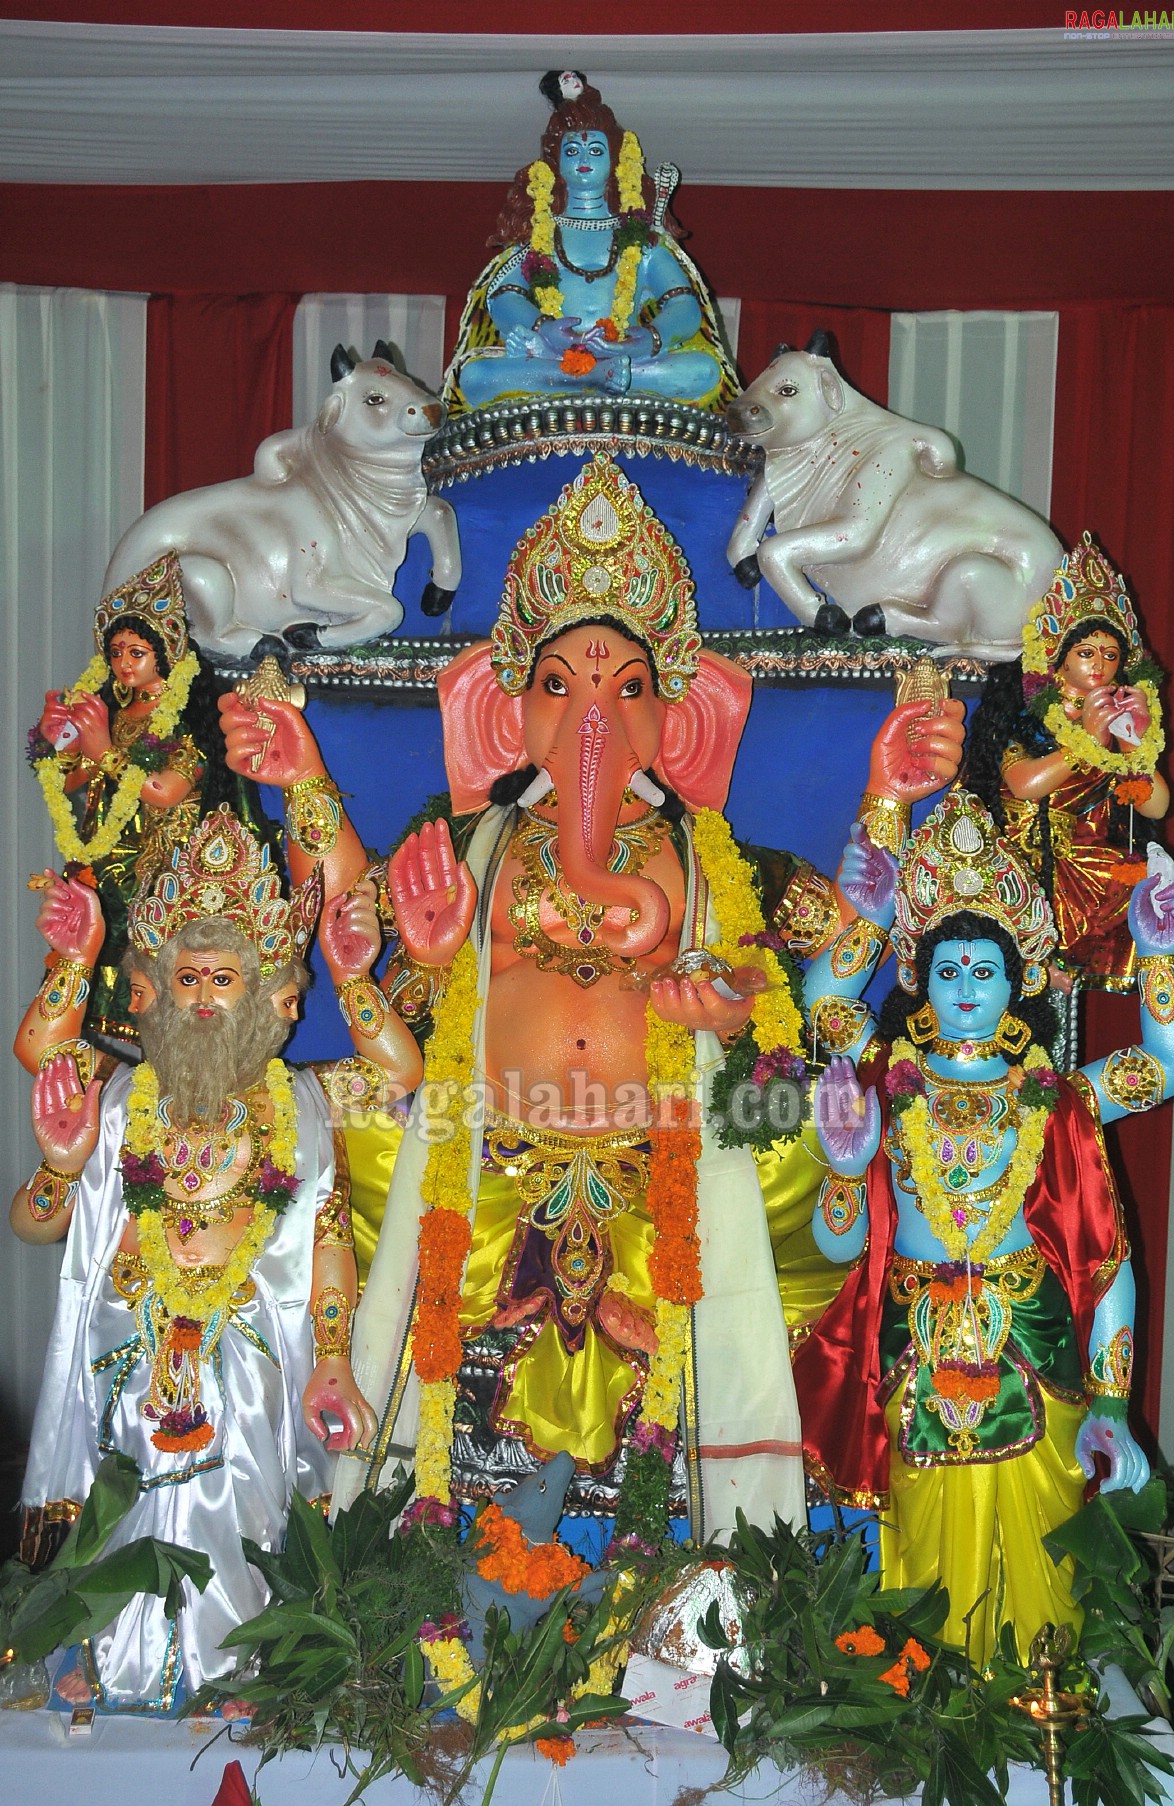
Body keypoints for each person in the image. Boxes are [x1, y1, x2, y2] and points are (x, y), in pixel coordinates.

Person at [217, 455, 966, 1552]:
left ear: (677, 716)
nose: (591, 716)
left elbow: (834, 961)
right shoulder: (473, 838)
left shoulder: (716, 863)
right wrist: (306, 784)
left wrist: (884, 804)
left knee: (822, 1125)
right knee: (340, 1130)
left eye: (626, 689)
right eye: (558, 685)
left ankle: (699, 1560)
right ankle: (418, 1541)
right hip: (488, 1145)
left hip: (670, 1152)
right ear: (506, 707)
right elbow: (357, 927)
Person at [12, 808, 422, 1710]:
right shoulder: (120, 1098)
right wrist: (59, 1164)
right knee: (119, 1506)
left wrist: (354, 977)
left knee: (247, 1515)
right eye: (187, 977)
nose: (203, 998)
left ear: (275, 995)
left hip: (253, 1361)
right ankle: (104, 1659)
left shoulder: (306, 1101)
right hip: (127, 1350)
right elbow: (38, 1211)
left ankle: (249, 1669)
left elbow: (393, 1080)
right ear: (151, 989)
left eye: (224, 979)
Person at [794, 788, 1174, 1663]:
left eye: (985, 970)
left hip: (1035, 1348)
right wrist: (838, 1162)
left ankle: (1035, 1718)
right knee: (920, 1585)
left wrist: (1162, 957)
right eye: (948, 970)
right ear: (918, 979)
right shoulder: (878, 1083)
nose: (967, 990)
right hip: (915, 1356)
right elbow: (836, 1242)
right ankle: (930, 1722)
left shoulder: (1054, 1100)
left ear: (1017, 980)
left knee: (1042, 1590)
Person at [29, 552, 273, 1048]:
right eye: (116, 651)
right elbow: (72, 780)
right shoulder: (112, 708)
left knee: (164, 984)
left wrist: (104, 749)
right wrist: (59, 742)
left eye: (135, 652)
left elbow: (164, 790)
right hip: (108, 857)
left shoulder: (186, 713)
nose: (122, 663)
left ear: (165, 652)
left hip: (163, 867)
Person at [445, 71, 738, 414]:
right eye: (573, 150)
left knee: (703, 371)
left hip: (626, 357)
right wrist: (544, 329)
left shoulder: (641, 239)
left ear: (615, 161)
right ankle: (593, 377)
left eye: (596, 149)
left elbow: (683, 306)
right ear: (555, 164)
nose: (584, 158)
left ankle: (598, 375)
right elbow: (503, 297)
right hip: (551, 356)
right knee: (476, 375)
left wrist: (648, 340)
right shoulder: (538, 235)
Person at [962, 535, 1169, 990]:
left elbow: (1156, 806)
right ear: (1059, 656)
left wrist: (1133, 741)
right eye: (1087, 652)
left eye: (1111, 654)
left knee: (1148, 888)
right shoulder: (1027, 712)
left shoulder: (1118, 719)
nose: (1100, 664)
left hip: (1090, 862)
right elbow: (1023, 783)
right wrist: (1087, 741)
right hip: (1020, 860)